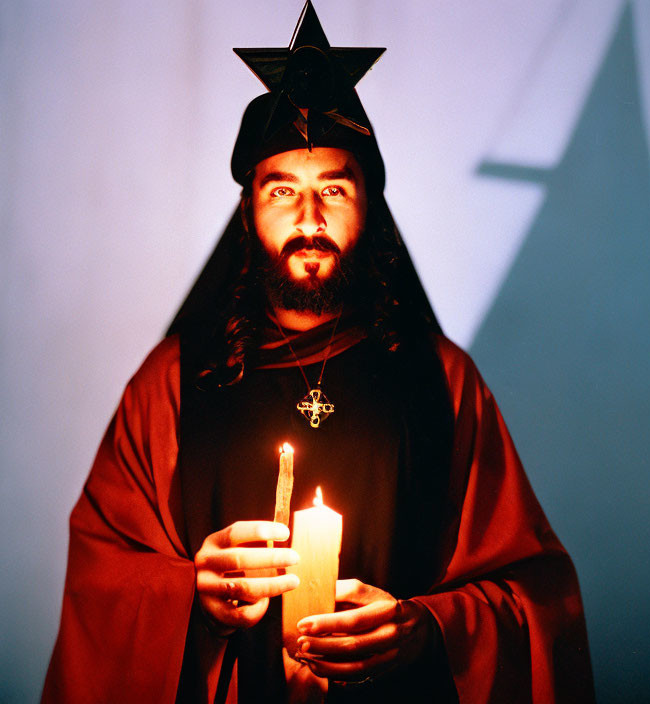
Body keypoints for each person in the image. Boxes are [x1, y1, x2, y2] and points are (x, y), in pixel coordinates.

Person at [42, 3, 594, 702]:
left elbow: (532, 592)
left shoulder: (444, 379)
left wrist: (425, 627)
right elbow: (102, 572)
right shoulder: (172, 382)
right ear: (249, 213)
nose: (309, 220)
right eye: (282, 192)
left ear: (372, 209)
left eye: (333, 189)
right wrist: (191, 596)